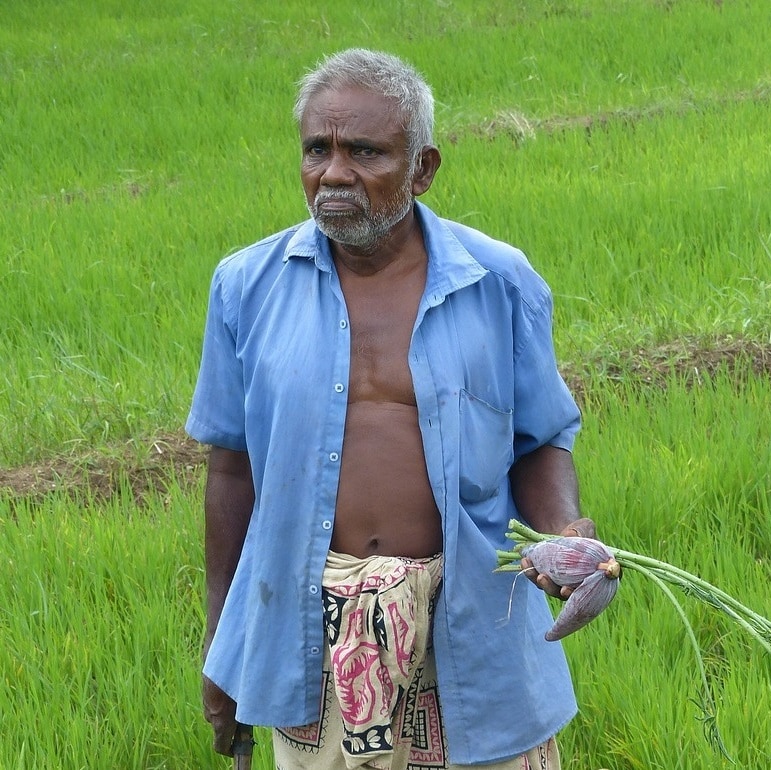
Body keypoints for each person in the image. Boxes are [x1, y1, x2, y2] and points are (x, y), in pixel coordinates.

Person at [186, 47, 598, 770]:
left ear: (423, 169)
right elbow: (231, 472)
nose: (334, 173)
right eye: (319, 149)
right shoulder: (245, 286)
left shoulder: (498, 282)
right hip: (315, 644)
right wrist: (224, 647)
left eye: (365, 152)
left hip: (473, 624)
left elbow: (539, 440)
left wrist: (565, 534)